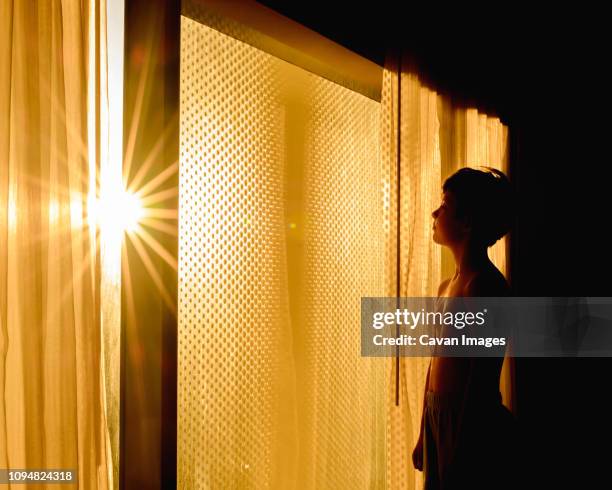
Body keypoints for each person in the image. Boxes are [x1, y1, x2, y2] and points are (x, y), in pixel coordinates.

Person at [411, 166, 519, 489]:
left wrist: (461, 448)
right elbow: (434, 365)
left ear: (467, 222)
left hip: (469, 423)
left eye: (445, 204)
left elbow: (480, 380)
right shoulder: (447, 287)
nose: (435, 211)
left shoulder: (485, 287)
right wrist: (423, 432)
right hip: (438, 416)